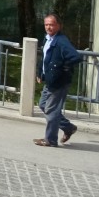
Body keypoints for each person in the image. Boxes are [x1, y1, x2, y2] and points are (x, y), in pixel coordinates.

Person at [35, 13, 81, 148]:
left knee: (51, 110)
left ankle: (50, 140)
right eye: (46, 25)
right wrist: (40, 73)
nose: (48, 27)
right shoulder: (47, 39)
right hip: (50, 80)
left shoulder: (61, 41)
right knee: (43, 105)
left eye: (51, 25)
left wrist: (61, 67)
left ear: (59, 26)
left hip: (59, 81)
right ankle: (68, 128)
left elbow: (76, 57)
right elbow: (44, 58)